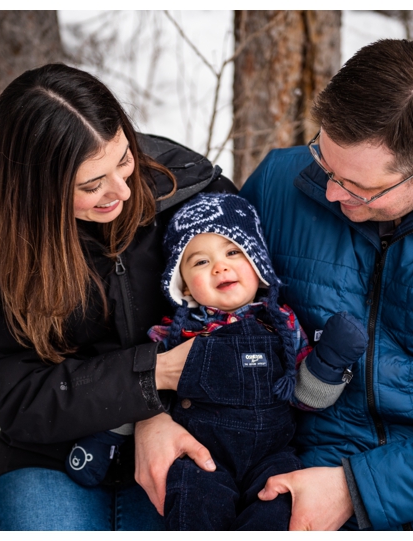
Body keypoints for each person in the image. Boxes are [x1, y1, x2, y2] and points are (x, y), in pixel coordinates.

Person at [136, 39, 413, 531]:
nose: (330, 191)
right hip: (290, 474)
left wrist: (356, 487)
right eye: (325, 162)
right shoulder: (279, 182)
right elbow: (186, 302)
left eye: (358, 187)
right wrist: (147, 412)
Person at [0, 63, 238, 531]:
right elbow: (20, 397)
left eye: (125, 159)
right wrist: (152, 376)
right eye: (92, 185)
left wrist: (155, 410)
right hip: (55, 452)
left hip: (189, 432)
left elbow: (252, 327)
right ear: (36, 191)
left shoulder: (192, 190)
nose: (124, 191)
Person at [68, 192, 368, 530]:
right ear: (183, 285)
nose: (220, 266)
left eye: (233, 252)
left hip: (271, 458)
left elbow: (305, 397)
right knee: (195, 506)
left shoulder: (282, 324)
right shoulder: (174, 334)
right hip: (200, 457)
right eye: (199, 262)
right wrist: (103, 441)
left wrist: (330, 358)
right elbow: (142, 392)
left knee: (279, 509)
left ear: (258, 261)